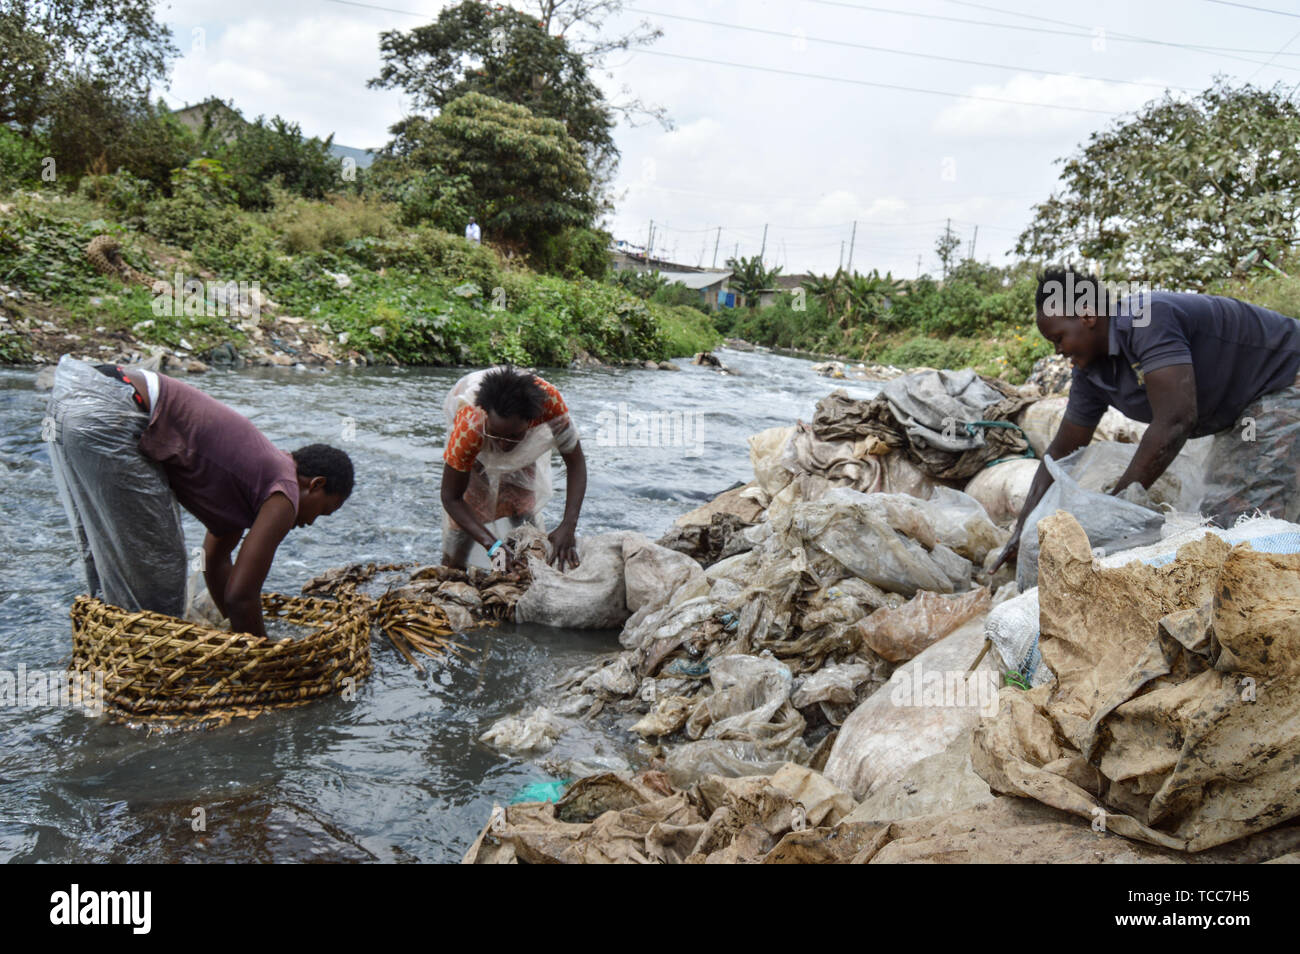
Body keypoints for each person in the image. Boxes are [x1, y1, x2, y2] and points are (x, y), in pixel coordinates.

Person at [991, 268, 1300, 572]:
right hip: (1243, 413)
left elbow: (1176, 420)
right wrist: (1022, 529)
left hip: (1285, 381)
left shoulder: (1148, 318)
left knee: (1255, 521)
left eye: (1058, 338)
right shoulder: (1090, 374)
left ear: (1087, 315)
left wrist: (1113, 508)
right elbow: (1060, 451)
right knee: (1221, 516)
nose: (1058, 351)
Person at [45, 355, 354, 637]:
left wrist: (232, 630)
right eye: (322, 511)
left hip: (78, 395)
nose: (311, 522)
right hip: (115, 409)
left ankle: (109, 646)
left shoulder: (253, 483)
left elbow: (215, 561)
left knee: (104, 551)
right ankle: (148, 662)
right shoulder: (284, 493)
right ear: (315, 484)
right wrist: (263, 655)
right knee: (162, 567)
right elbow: (241, 596)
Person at [440, 365, 586, 572]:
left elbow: (576, 462)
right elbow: (451, 497)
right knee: (471, 508)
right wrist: (492, 545)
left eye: (513, 436)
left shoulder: (550, 405)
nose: (504, 446)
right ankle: (454, 570)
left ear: (532, 421)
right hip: (478, 436)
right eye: (497, 436)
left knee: (520, 507)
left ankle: (524, 567)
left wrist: (568, 526)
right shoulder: (470, 424)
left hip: (510, 431)